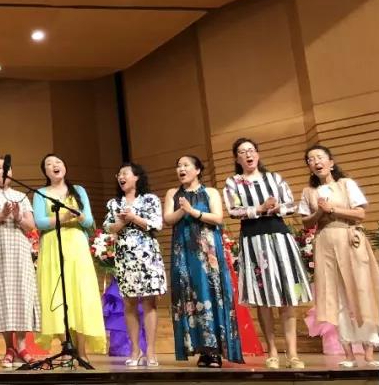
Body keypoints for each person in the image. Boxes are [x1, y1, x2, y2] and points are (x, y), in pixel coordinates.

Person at [224, 138, 312, 370]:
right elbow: (233, 210)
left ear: (258, 154)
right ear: (237, 158)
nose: (248, 155)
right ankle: (272, 351)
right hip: (253, 240)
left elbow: (292, 205)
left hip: (280, 238)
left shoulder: (275, 178)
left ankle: (292, 353)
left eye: (251, 150)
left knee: (288, 296)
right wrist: (259, 209)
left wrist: (277, 208)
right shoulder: (233, 182)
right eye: (242, 152)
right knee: (263, 298)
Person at [299, 144, 379, 368]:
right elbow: (306, 222)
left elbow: (360, 213)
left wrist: (332, 209)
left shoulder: (346, 184)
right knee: (337, 297)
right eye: (311, 159)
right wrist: (320, 211)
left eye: (320, 157)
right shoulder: (309, 192)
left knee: (361, 290)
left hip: (350, 239)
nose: (316, 161)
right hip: (325, 242)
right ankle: (349, 354)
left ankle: (369, 353)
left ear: (331, 162)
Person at [165, 154, 242, 367]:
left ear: (198, 170)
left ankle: (214, 350)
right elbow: (167, 219)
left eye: (186, 165)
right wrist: (182, 210)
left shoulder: (210, 192)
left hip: (207, 252)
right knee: (188, 294)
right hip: (183, 251)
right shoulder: (173, 193)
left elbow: (217, 218)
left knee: (210, 292)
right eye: (178, 165)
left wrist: (192, 211)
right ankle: (200, 349)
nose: (181, 169)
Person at [32, 154, 105, 364]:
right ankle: (66, 348)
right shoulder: (41, 193)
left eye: (58, 162)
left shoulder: (78, 190)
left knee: (80, 295)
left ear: (64, 167)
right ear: (45, 172)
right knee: (57, 296)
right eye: (49, 164)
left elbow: (89, 221)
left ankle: (81, 351)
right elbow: (39, 222)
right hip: (52, 246)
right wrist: (61, 218)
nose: (54, 165)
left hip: (77, 247)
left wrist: (79, 216)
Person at [0, 156, 41, 368]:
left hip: (20, 251)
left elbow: (31, 226)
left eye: (8, 168)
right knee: (2, 297)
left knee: (22, 295)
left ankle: (22, 346)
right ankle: (9, 348)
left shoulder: (21, 196)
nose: (4, 171)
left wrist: (18, 216)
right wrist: (2, 215)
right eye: (0, 168)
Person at [103, 163, 166, 367]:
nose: (121, 177)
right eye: (119, 174)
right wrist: (121, 223)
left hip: (147, 256)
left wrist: (133, 218)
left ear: (137, 177)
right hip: (125, 257)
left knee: (149, 303)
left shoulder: (150, 199)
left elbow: (156, 223)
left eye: (125, 173)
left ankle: (151, 352)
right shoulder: (114, 203)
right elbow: (108, 227)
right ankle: (135, 350)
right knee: (129, 303)